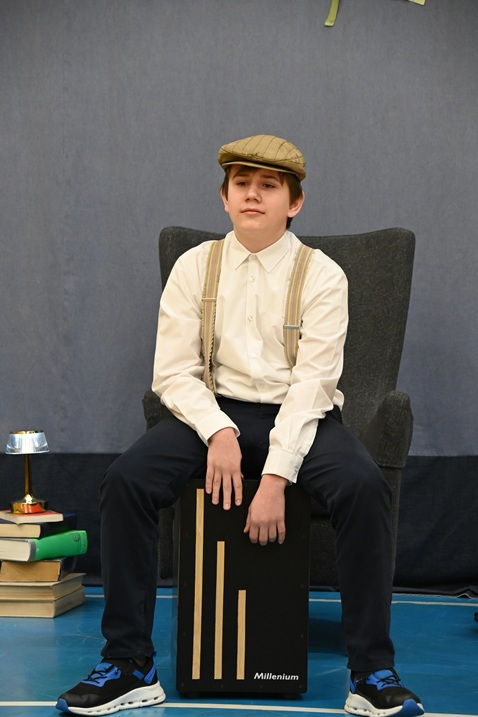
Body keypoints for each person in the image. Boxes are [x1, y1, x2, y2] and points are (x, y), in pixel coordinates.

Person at [56, 134, 424, 717]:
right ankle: (129, 664)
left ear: (294, 202)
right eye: (241, 184)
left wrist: (275, 477)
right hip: (211, 410)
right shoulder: (193, 267)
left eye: (268, 185)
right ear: (224, 197)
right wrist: (218, 431)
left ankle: (372, 672)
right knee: (126, 480)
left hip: (300, 415)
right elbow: (173, 373)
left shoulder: (323, 275)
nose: (253, 194)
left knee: (363, 486)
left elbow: (314, 386)